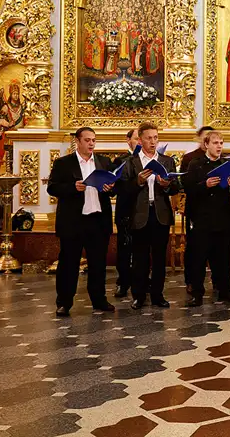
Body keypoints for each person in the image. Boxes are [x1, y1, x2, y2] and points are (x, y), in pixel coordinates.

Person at [47, 127, 116, 316]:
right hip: (73, 221)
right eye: (87, 140)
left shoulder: (103, 161)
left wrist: (110, 188)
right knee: (68, 263)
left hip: (97, 219)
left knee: (98, 264)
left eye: (93, 140)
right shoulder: (64, 163)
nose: (91, 143)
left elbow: (113, 187)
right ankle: (64, 302)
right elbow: (52, 188)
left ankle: (99, 300)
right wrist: (72, 187)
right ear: (77, 141)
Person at [121, 121, 180, 310]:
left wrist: (167, 185)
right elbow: (122, 189)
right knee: (140, 258)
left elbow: (176, 187)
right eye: (149, 138)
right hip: (139, 215)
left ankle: (157, 295)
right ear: (140, 140)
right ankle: (138, 296)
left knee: (159, 257)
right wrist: (137, 181)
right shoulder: (131, 162)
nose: (153, 142)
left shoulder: (167, 161)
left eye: (156, 138)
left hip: (160, 214)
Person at [182, 131, 230, 307]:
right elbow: (189, 188)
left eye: (221, 143)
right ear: (206, 144)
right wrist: (205, 185)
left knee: (222, 258)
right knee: (198, 258)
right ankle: (197, 293)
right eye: (215, 143)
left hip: (222, 218)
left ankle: (225, 291)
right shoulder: (196, 164)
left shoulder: (226, 164)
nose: (219, 146)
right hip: (202, 219)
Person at [179, 126, 215, 294]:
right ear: (200, 139)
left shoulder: (219, 159)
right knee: (194, 248)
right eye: (205, 138)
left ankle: (218, 282)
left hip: (215, 211)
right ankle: (192, 282)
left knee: (216, 249)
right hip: (196, 210)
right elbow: (186, 184)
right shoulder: (190, 159)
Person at [112, 128, 140, 299]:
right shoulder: (120, 160)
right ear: (128, 140)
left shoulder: (149, 159)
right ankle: (123, 282)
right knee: (124, 247)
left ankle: (141, 281)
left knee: (142, 249)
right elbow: (118, 186)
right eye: (137, 138)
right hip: (126, 209)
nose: (140, 142)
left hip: (143, 209)